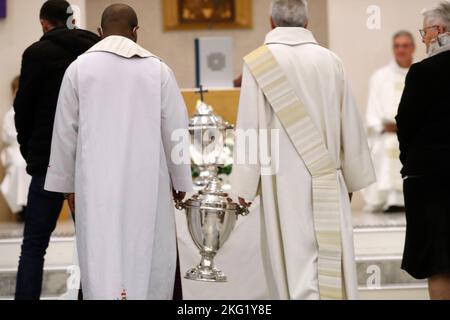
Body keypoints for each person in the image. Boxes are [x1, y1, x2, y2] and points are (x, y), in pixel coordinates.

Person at [44, 4, 193, 300]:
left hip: (97, 188)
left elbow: (64, 132)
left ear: (100, 33)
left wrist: (67, 187)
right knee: (148, 254)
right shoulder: (158, 70)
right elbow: (176, 130)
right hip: (147, 186)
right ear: (136, 31)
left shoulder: (78, 69)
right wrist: (180, 182)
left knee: (102, 254)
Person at [231, 0, 375, 300]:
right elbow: (349, 120)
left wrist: (243, 186)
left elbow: (249, 128)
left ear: (272, 23)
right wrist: (351, 177)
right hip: (326, 175)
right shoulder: (330, 60)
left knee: (293, 261)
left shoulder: (259, 62)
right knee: (326, 266)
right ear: (307, 24)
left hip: (282, 180)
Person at [13, 0, 99, 300]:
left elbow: (22, 109)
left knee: (34, 245)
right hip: (89, 158)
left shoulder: (37, 54)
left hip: (48, 160)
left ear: (43, 23)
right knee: (91, 243)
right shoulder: (94, 49)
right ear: (71, 20)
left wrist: (30, 153)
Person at [396, 1, 450, 300]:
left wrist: (412, 163)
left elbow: (406, 124)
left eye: (425, 31)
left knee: (439, 261)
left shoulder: (423, 71)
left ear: (439, 30)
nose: (423, 38)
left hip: (431, 182)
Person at [363, 31, 415, 213]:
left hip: (414, 135)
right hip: (387, 133)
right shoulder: (380, 77)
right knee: (387, 144)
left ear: (413, 48)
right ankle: (390, 199)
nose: (400, 50)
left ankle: (411, 200)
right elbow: (372, 111)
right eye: (397, 46)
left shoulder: (421, 73)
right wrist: (384, 126)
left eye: (405, 45)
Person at [1, 76, 31, 221]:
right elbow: (8, 136)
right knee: (20, 165)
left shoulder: (31, 111)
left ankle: (32, 205)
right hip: (15, 148)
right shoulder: (10, 115)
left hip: (29, 148)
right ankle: (22, 207)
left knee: (31, 165)